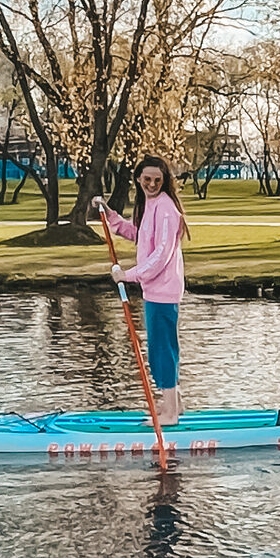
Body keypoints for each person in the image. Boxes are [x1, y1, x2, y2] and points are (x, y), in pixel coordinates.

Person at [91, 155, 189, 427]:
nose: (152, 184)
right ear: (138, 179)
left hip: (163, 290)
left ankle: (169, 413)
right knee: (162, 347)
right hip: (154, 290)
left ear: (164, 181)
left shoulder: (167, 208)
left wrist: (128, 275)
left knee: (161, 349)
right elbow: (139, 234)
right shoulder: (150, 204)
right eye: (147, 180)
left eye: (158, 180)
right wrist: (109, 215)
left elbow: (162, 254)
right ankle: (175, 405)